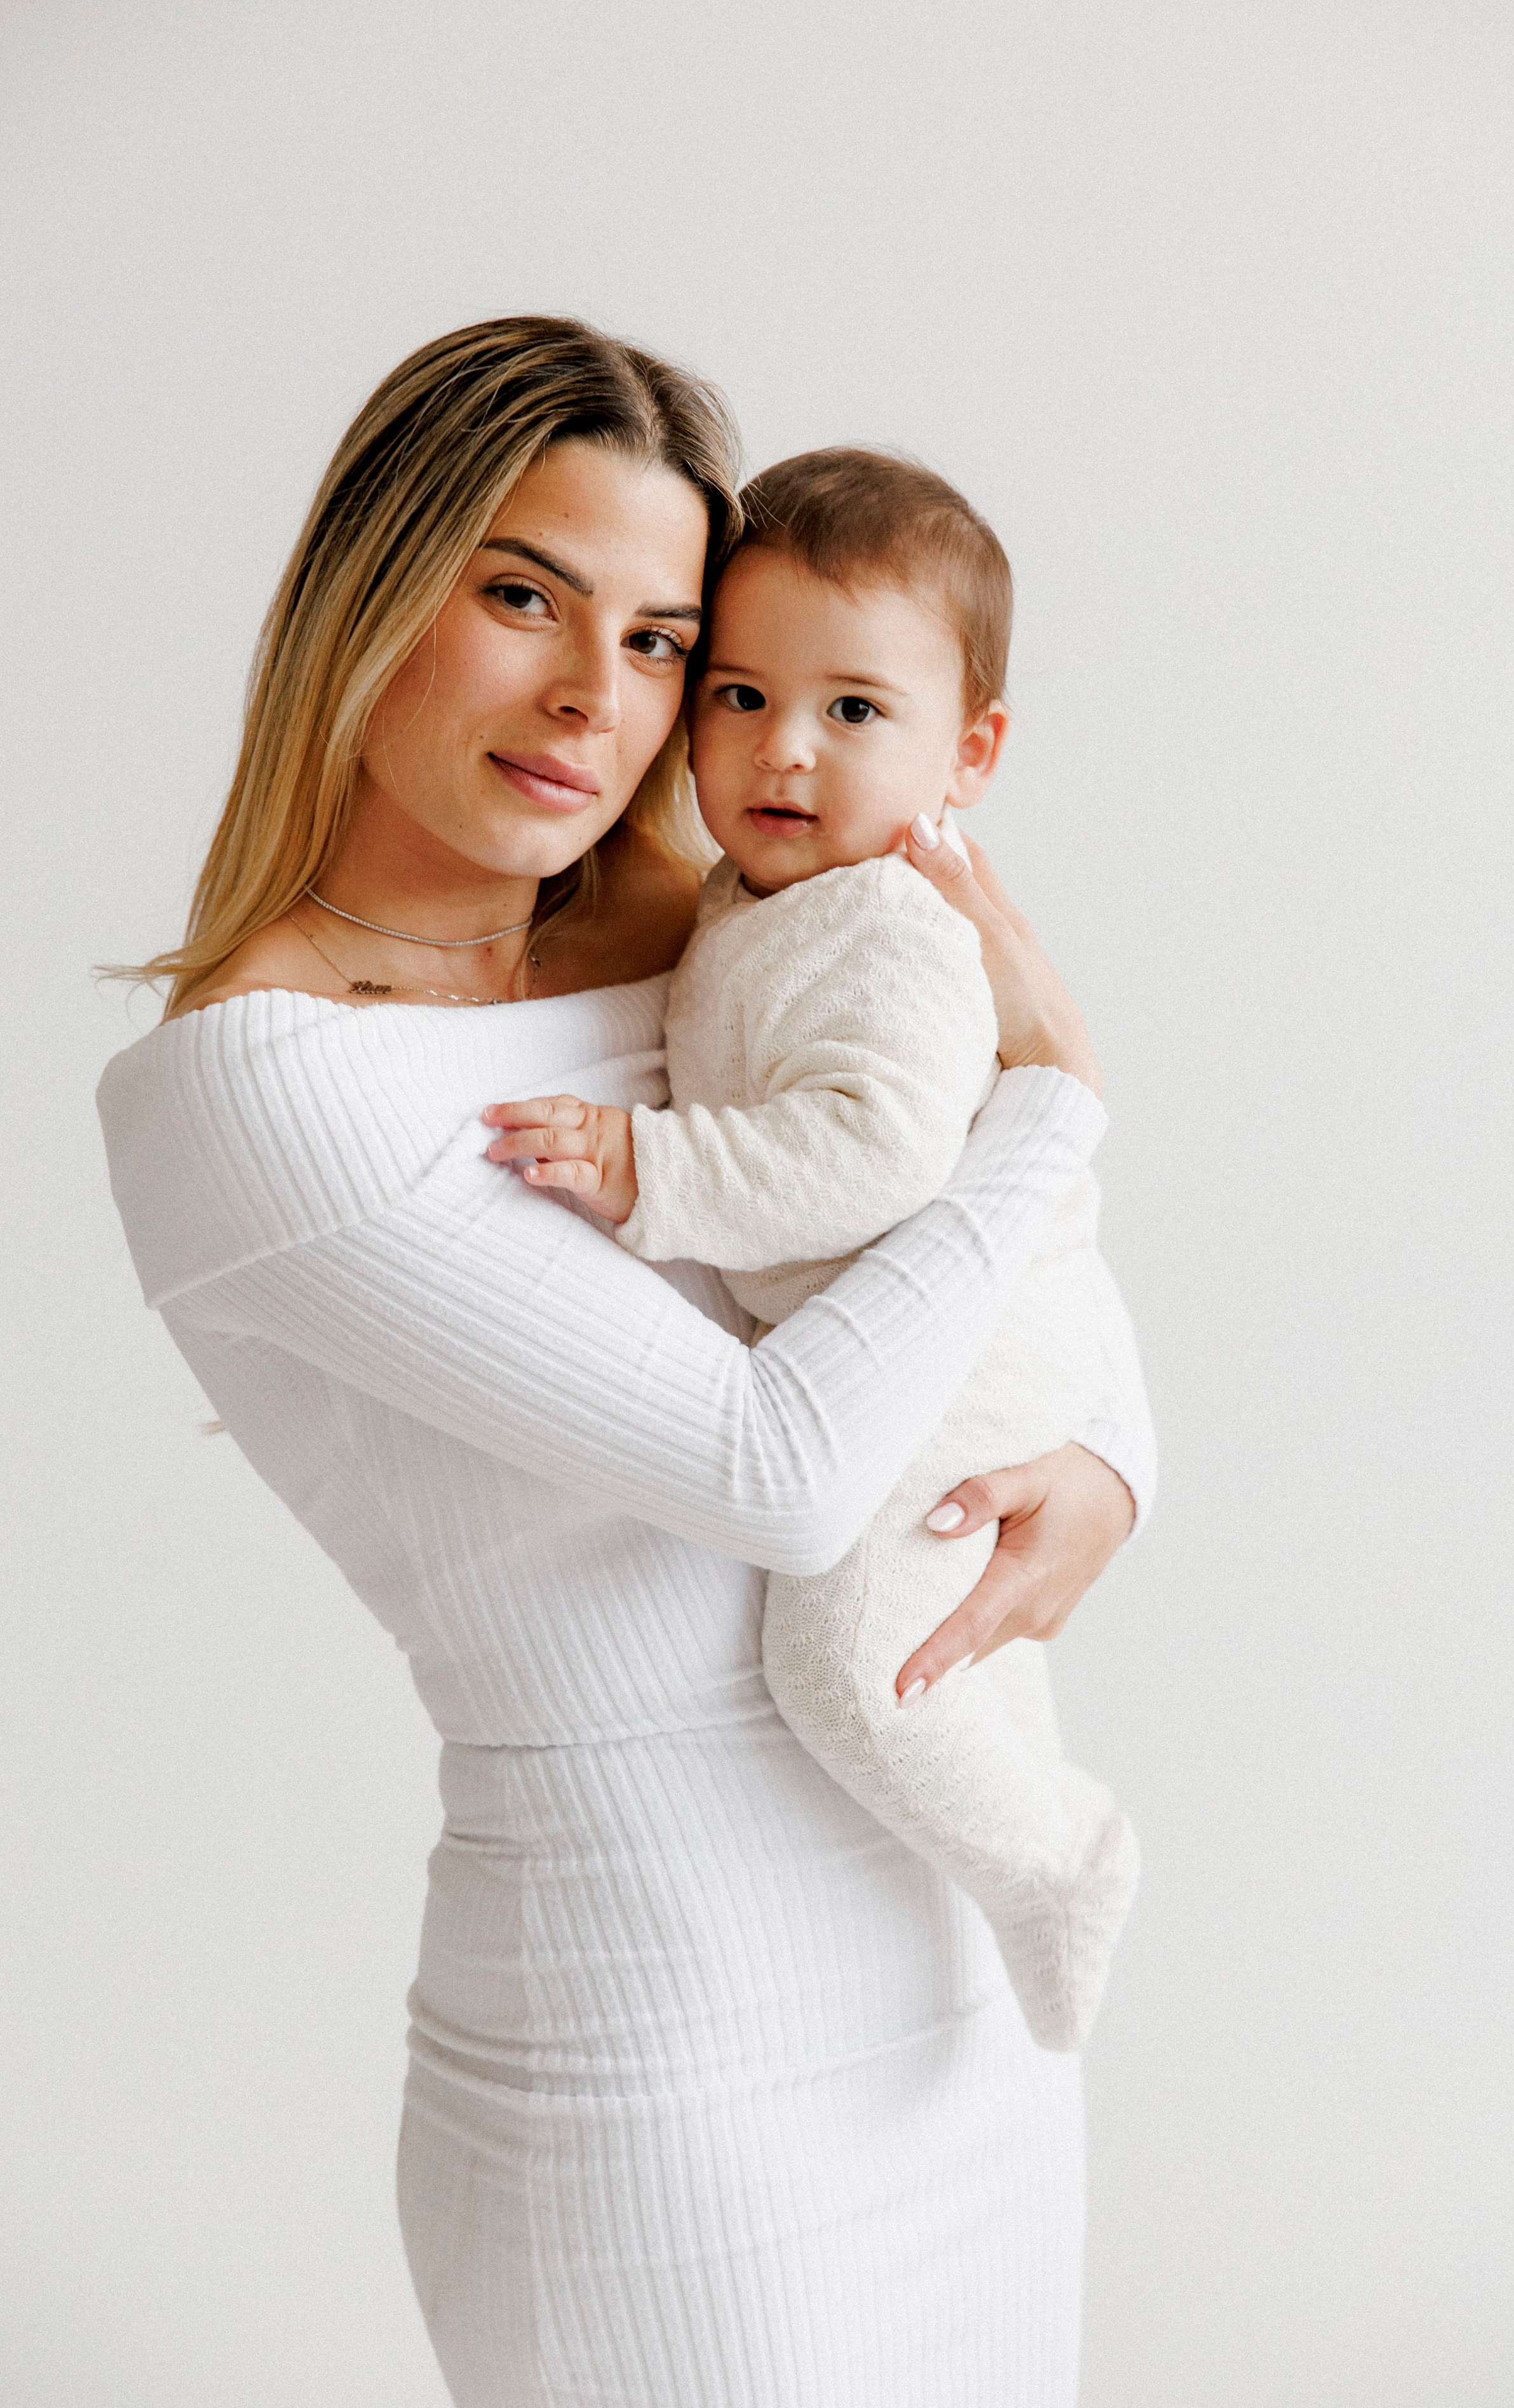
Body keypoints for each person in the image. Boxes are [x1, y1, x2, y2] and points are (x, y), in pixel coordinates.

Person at [96, 316, 1156, 2407]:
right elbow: (782, 1467)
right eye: (521, 597)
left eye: (668, 639)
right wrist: (1058, 1107)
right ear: (370, 589)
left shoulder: (719, 924)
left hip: (961, 1972)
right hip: (658, 2068)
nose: (601, 699)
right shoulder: (260, 1085)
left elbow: (989, 1268)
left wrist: (1120, 1452)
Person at [482, 446, 1145, 2053]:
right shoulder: (753, 895)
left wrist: (655, 1167)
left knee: (848, 1651)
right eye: (737, 695)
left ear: (967, 751)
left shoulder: (895, 924)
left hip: (970, 1356)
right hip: (917, 1344)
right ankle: (1024, 1823)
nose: (783, 751)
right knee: (957, 1644)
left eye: (854, 711)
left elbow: (877, 1150)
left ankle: (1057, 1860)